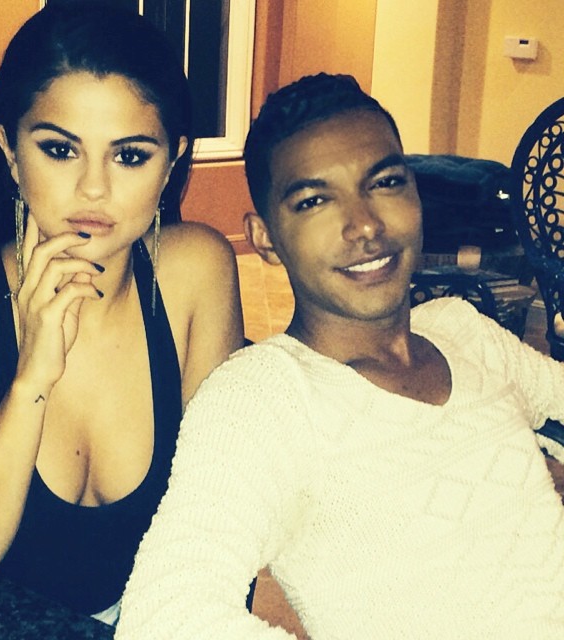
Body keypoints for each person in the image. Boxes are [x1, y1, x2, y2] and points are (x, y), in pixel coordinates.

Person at [114, 72, 564, 639]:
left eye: (386, 182)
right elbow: (164, 617)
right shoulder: (265, 400)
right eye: (314, 201)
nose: (365, 225)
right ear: (265, 237)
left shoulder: (464, 331)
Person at [0, 0, 243, 626]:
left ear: (172, 161)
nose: (94, 188)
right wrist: (31, 381)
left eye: (130, 155)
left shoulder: (197, 272)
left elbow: (222, 526)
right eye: (60, 149)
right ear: (10, 152)